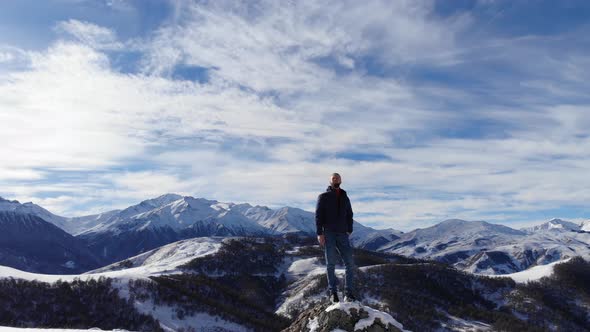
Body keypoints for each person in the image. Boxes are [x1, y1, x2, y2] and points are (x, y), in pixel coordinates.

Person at [315, 172, 356, 303]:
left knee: (350, 264)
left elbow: (349, 214)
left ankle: (348, 293)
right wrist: (319, 233)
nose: (336, 179)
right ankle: (333, 292)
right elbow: (318, 215)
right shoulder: (323, 197)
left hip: (343, 233)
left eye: (337, 178)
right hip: (329, 233)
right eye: (333, 178)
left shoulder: (345, 197)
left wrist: (349, 229)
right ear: (330, 181)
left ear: (341, 180)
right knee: (330, 264)